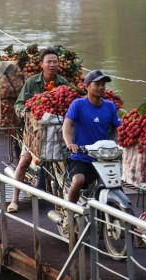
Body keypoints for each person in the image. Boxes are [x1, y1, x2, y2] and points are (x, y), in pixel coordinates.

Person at [6, 47, 70, 213]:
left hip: (56, 130)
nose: (52, 65)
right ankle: (14, 200)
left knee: (66, 163)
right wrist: (26, 113)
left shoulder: (63, 83)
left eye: (55, 62)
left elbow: (71, 106)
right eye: (48, 62)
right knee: (24, 162)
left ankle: (65, 202)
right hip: (35, 133)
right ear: (41, 64)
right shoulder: (32, 82)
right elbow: (20, 104)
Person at [62, 70, 121, 204]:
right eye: (97, 84)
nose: (101, 87)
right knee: (78, 181)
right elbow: (67, 123)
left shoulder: (110, 106)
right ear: (87, 86)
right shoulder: (78, 104)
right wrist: (70, 143)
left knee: (114, 184)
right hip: (81, 155)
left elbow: (120, 128)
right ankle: (70, 210)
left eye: (103, 84)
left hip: (103, 157)